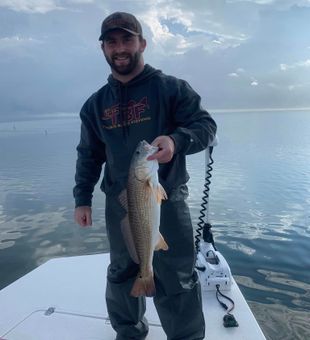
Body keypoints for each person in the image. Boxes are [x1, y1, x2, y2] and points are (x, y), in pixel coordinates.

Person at [73, 11, 217, 340]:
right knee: (121, 272)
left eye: (127, 39)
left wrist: (175, 140)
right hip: (118, 202)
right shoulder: (95, 105)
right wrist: (82, 198)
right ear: (103, 49)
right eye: (112, 42)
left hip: (166, 198)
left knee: (176, 275)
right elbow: (89, 154)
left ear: (143, 43)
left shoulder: (170, 89)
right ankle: (129, 333)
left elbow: (205, 127)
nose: (120, 48)